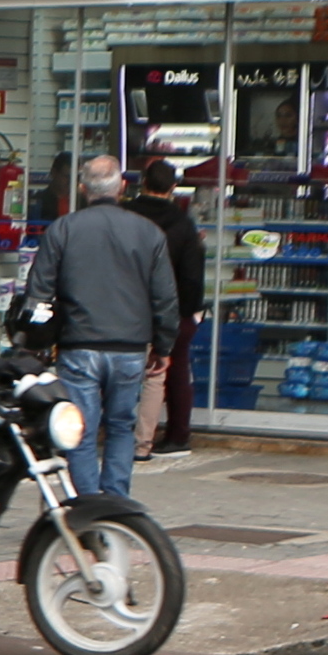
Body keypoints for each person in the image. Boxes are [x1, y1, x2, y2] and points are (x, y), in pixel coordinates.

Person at [16, 156, 177, 503]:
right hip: (130, 347)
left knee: (80, 430)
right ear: (122, 187)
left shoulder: (63, 229)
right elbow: (165, 297)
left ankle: (84, 505)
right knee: (121, 426)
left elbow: (38, 292)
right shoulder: (149, 232)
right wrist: (163, 347)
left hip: (78, 343)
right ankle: (115, 504)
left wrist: (33, 343)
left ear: (82, 188)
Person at [123, 154, 209, 460]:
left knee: (120, 372)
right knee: (171, 372)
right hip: (171, 310)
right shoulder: (183, 224)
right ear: (173, 187)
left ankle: (112, 433)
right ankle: (173, 436)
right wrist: (190, 312)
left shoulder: (125, 215)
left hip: (126, 307)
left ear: (143, 183)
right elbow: (191, 275)